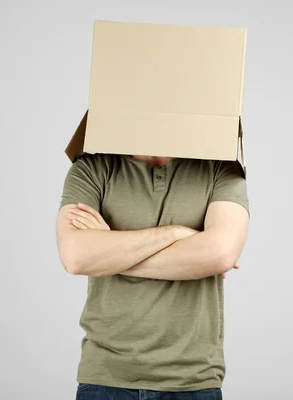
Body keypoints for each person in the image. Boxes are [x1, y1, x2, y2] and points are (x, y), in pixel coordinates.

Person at [56, 151, 250, 400]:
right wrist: (175, 233)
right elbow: (75, 257)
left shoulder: (222, 168)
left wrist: (110, 254)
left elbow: (221, 254)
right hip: (106, 377)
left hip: (192, 379)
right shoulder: (92, 168)